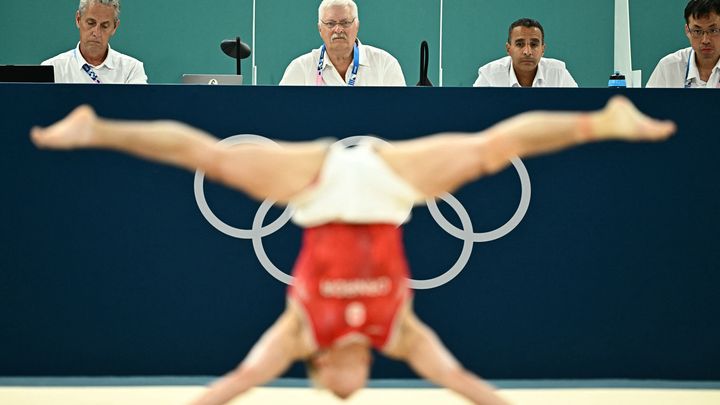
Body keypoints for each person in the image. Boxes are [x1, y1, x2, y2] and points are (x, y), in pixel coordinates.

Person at [30, 96, 674, 405]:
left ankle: (97, 129)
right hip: (389, 192)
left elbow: (237, 382)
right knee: (487, 151)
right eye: (356, 391)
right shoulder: (400, 336)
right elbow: (462, 382)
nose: (350, 389)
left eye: (338, 389)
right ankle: (600, 123)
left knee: (212, 159)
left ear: (319, 370)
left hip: (317, 192)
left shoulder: (298, 332)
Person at [279, 0, 405, 86]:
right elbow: (283, 116)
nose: (338, 29)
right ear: (320, 29)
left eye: (345, 22)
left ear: (357, 25)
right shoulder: (300, 68)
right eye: (330, 23)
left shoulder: (385, 64)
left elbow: (400, 115)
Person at [42, 0, 147, 84]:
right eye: (91, 23)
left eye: (104, 26)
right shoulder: (52, 68)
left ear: (115, 27)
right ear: (78, 19)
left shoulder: (131, 69)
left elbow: (138, 109)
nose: (96, 33)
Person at [473, 18, 577, 88]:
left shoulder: (559, 72)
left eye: (534, 44)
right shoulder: (489, 75)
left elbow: (576, 111)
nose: (527, 52)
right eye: (519, 44)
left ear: (543, 49)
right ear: (508, 49)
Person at [646, 0, 720, 88]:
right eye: (697, 31)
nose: (705, 40)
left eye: (713, 30)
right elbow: (649, 101)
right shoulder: (668, 67)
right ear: (688, 31)